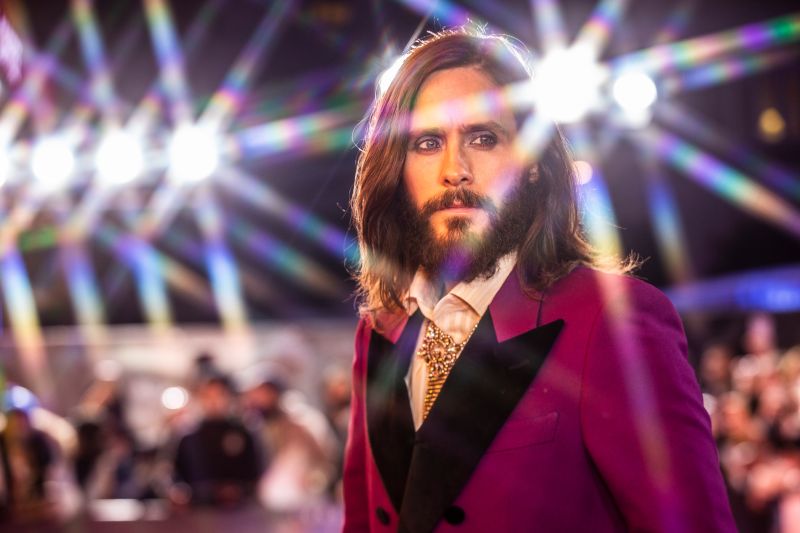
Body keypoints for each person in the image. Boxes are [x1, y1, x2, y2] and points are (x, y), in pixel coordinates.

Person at [343, 28, 735, 532]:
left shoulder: (612, 321)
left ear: (530, 164)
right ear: (397, 169)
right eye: (427, 142)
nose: (455, 170)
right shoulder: (379, 329)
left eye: (483, 138)